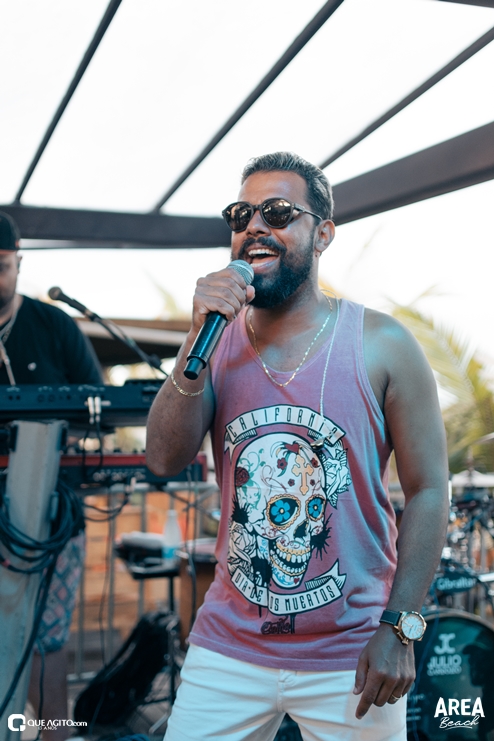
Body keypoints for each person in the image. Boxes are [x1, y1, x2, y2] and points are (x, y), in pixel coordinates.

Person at [146, 152, 449, 741]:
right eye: (241, 215)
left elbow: (430, 490)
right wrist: (195, 336)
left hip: (354, 651)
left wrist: (401, 625)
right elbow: (163, 458)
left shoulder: (384, 343)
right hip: (228, 647)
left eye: (278, 212)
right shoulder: (213, 342)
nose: (254, 226)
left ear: (323, 234)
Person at [0, 211, 103, 740]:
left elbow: (99, 407)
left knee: (49, 639)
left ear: (19, 263)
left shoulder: (53, 325)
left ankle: (54, 735)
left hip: (54, 509)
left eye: (1, 265)